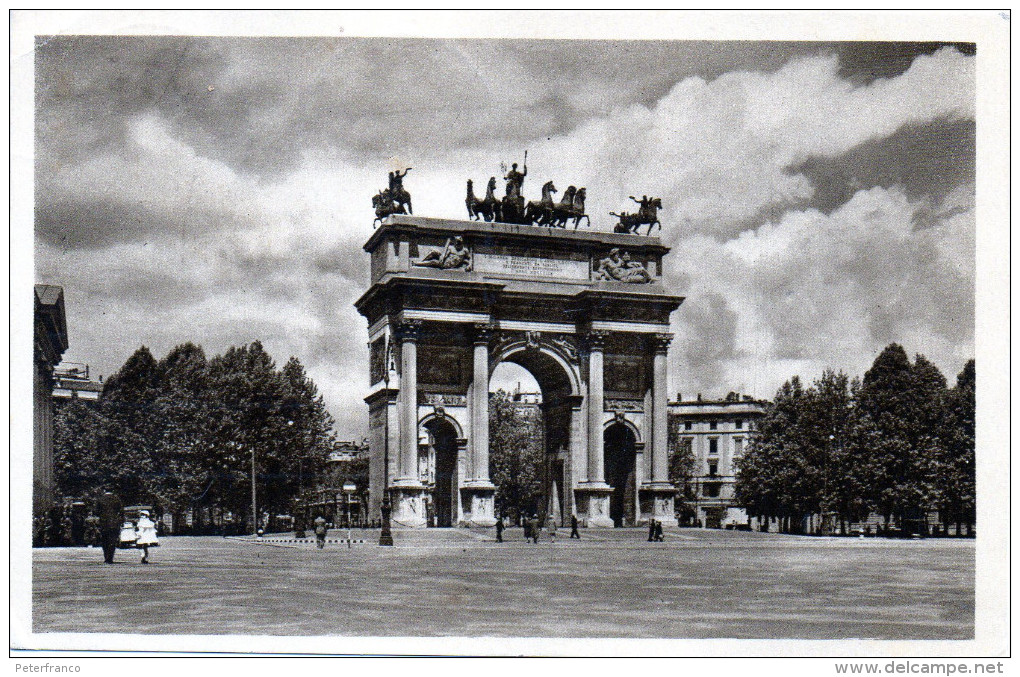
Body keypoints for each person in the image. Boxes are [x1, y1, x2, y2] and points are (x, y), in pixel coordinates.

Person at [95, 489, 122, 564]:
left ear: (104, 491)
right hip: (114, 523)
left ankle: (106, 557)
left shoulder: (100, 499)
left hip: (104, 523)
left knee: (105, 541)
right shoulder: (116, 499)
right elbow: (121, 511)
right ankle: (110, 557)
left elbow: (96, 512)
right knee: (112, 541)